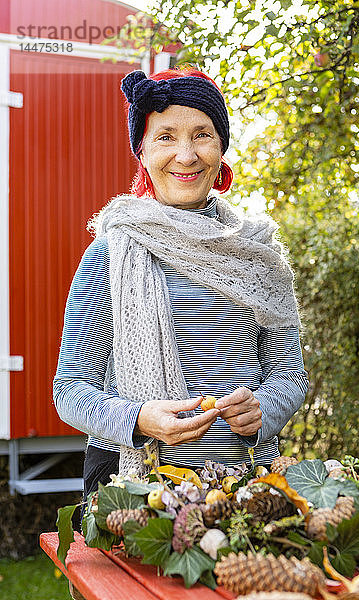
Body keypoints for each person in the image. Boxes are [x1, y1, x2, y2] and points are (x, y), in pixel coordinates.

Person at [53, 67, 309, 502]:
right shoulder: (111, 252)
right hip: (134, 489)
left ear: (221, 146)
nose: (186, 156)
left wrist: (265, 409)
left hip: (247, 485)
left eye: (202, 135)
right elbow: (70, 389)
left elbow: (289, 374)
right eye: (166, 136)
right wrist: (138, 418)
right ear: (143, 150)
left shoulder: (259, 254)